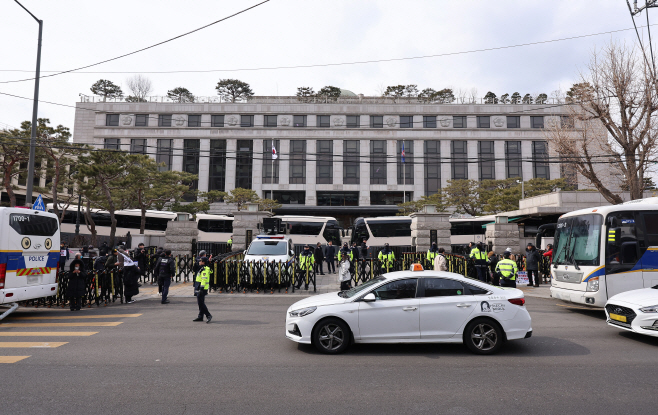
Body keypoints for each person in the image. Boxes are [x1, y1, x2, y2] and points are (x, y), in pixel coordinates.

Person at [193, 257, 212, 323]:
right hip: (199, 287)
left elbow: (204, 279)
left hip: (202, 288)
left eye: (200, 261)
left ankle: (208, 315)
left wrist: (201, 289)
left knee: (200, 303)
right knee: (200, 302)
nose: (199, 262)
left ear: (203, 262)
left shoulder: (204, 269)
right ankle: (200, 316)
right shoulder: (201, 268)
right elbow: (194, 269)